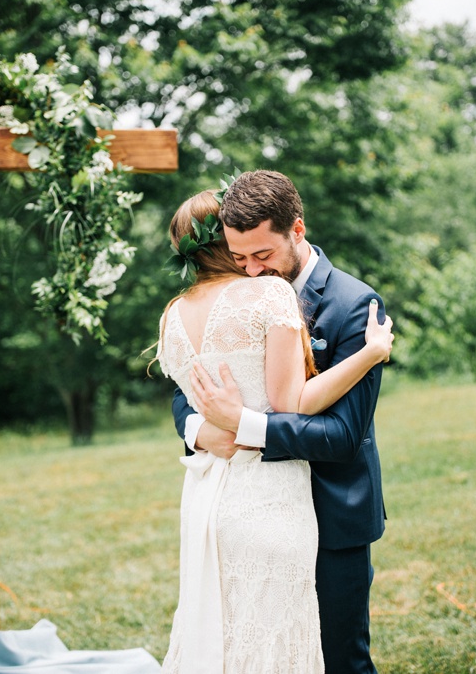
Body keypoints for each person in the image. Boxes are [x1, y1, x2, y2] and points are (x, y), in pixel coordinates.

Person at [156, 188, 392, 673]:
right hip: (248, 504)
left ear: (297, 230)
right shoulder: (236, 293)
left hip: (332, 510)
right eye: (239, 256)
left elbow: (343, 435)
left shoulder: (353, 304)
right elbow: (187, 391)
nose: (252, 270)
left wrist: (244, 426)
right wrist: (200, 428)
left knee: (340, 657)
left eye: (263, 254)